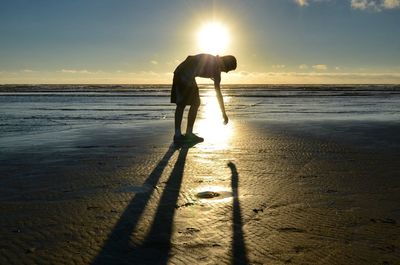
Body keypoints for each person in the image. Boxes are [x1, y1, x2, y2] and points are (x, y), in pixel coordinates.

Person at [171, 53, 237, 143]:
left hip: (184, 73)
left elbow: (218, 93)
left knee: (191, 103)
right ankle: (181, 135)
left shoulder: (217, 71)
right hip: (184, 72)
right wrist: (223, 113)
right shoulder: (211, 60)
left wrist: (223, 113)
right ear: (225, 63)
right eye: (228, 69)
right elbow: (190, 58)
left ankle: (184, 134)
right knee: (185, 103)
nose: (226, 72)